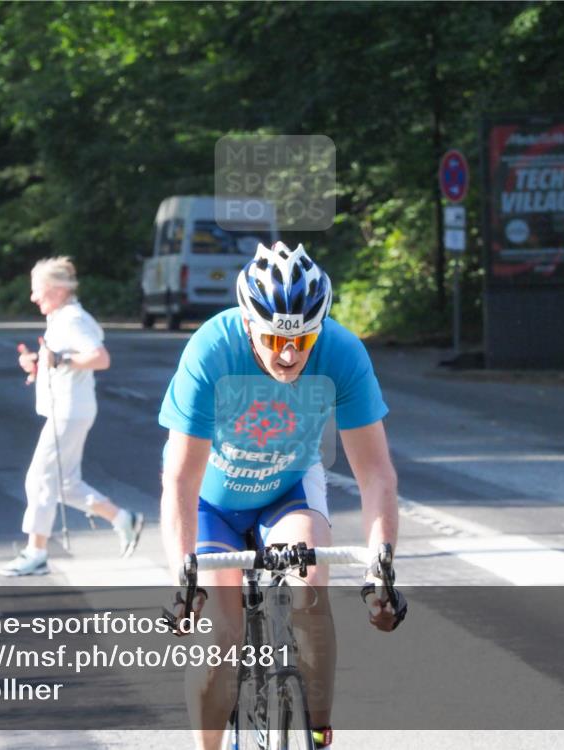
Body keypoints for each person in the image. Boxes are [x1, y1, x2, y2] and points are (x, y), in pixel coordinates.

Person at [159, 241, 406, 750]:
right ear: (249, 322)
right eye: (274, 339)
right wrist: (183, 576)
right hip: (212, 504)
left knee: (310, 589)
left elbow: (376, 474)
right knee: (222, 637)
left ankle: (317, 730)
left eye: (303, 338)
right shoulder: (211, 349)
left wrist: (380, 568)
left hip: (285, 487)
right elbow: (180, 481)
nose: (289, 354)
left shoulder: (341, 352)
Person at [0, 257, 144, 576]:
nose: (33, 297)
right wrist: (40, 362)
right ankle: (123, 519)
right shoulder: (62, 318)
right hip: (68, 409)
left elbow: (100, 358)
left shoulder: (72, 319)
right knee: (64, 483)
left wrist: (60, 359)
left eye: (38, 290)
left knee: (39, 478)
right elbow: (66, 358)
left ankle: (35, 552)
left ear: (57, 289)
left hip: (69, 411)